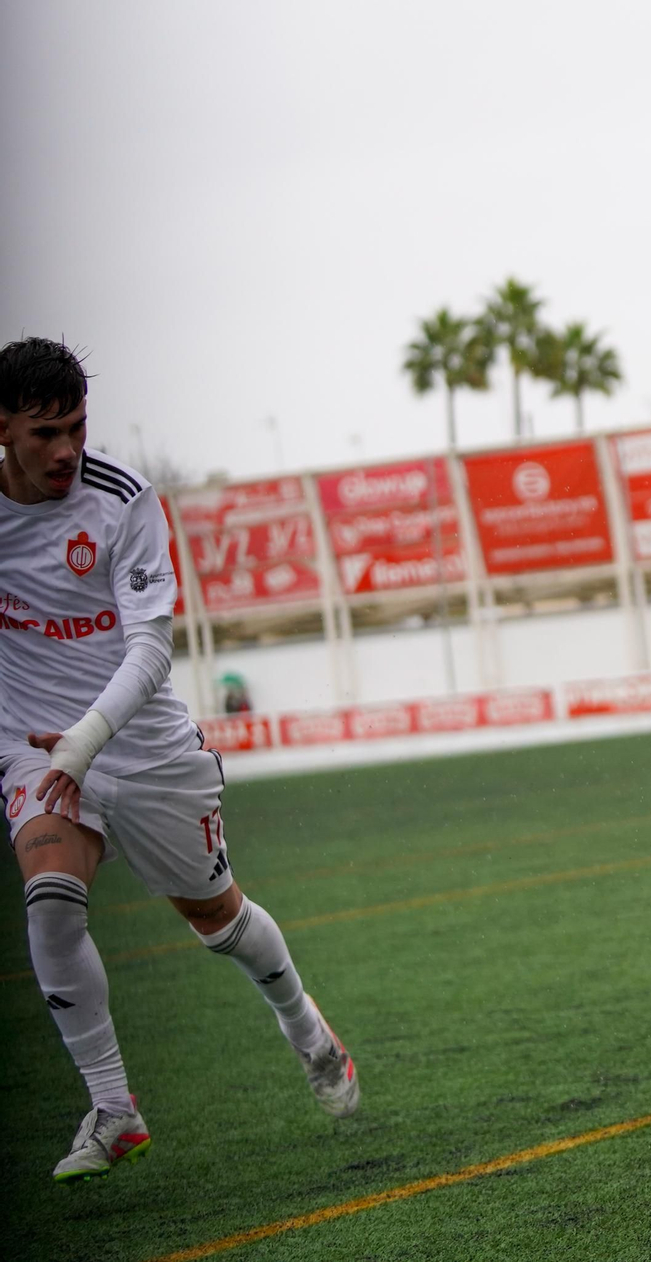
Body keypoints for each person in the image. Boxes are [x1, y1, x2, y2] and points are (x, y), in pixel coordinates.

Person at [0, 338, 359, 1184]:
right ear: (4, 428)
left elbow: (152, 650)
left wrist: (90, 739)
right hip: (35, 747)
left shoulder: (123, 500)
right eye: (47, 432)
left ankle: (308, 1032)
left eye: (78, 428)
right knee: (51, 899)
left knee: (219, 922)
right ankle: (114, 1108)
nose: (66, 450)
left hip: (144, 748)